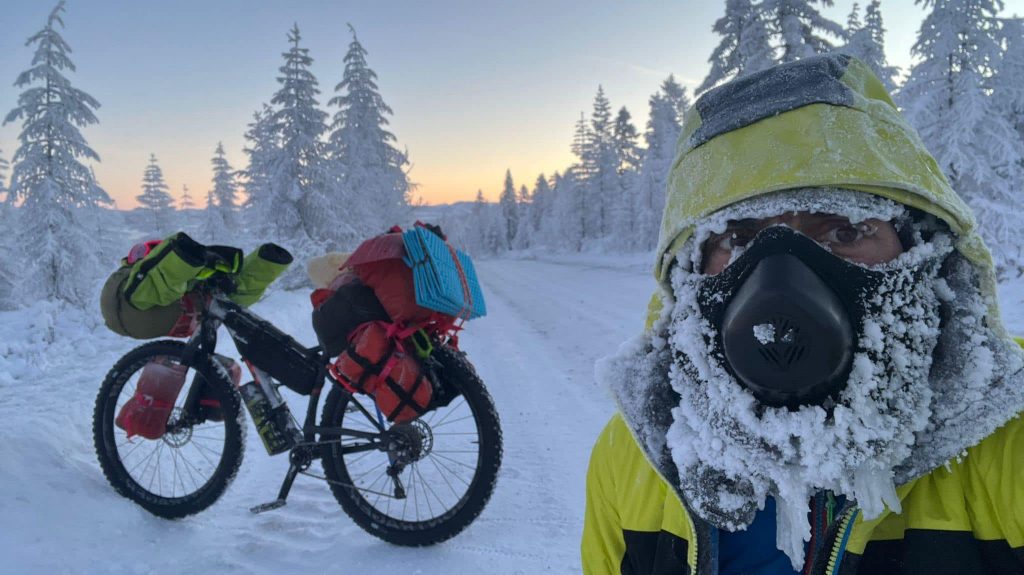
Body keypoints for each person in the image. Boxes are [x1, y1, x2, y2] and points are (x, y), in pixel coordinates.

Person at [581, 54, 1024, 575]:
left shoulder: (1008, 438)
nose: (782, 281)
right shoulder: (634, 456)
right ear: (689, 275)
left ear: (922, 252)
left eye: (844, 230)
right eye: (738, 239)